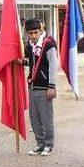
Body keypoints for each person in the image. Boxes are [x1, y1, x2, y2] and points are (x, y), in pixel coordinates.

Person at [24, 19, 58, 156]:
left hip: (44, 87)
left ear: (41, 30)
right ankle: (40, 143)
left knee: (46, 117)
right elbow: (32, 62)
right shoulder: (30, 44)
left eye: (35, 33)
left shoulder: (48, 45)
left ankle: (49, 144)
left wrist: (52, 86)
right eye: (30, 33)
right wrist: (23, 62)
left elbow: (52, 66)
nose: (33, 36)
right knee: (34, 117)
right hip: (32, 85)